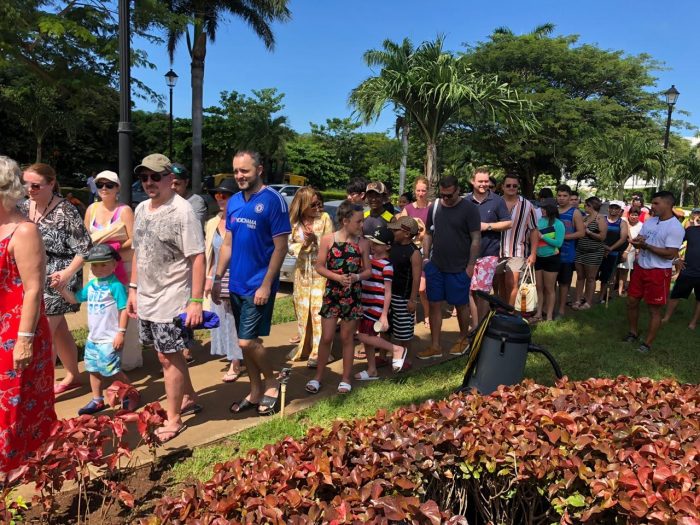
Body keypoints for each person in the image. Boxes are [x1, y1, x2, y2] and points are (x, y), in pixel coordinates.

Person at [127, 153, 205, 442]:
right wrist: (133, 288)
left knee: (167, 358)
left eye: (155, 176)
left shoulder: (183, 212)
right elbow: (138, 250)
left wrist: (195, 301)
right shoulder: (141, 209)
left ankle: (174, 420)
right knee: (167, 354)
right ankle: (190, 396)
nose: (149, 182)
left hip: (172, 298)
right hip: (147, 295)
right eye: (144, 177)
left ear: (171, 179)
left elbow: (197, 257)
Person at [211, 150, 290, 416]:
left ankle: (271, 381)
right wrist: (218, 277)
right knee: (245, 340)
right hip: (236, 284)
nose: (239, 176)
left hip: (258, 284)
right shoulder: (233, 201)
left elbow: (280, 248)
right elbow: (228, 244)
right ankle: (255, 390)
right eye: (236, 171)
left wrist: (267, 285)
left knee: (246, 343)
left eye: (244, 171)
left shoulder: (273, 201)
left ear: (259, 170)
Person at [0, 156, 56, 473]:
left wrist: (24, 340)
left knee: (17, 397)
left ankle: (17, 462)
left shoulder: (23, 232)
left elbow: (33, 289)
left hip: (18, 328)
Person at [19, 163, 91, 394]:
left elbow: (85, 248)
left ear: (51, 183)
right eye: (26, 184)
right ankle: (73, 374)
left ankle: (41, 389)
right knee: (59, 331)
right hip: (33, 276)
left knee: (43, 334)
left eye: (36, 185)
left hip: (59, 277)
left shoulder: (66, 210)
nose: (30, 189)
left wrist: (67, 273)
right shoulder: (22, 206)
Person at [54, 245, 133, 415]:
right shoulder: (92, 285)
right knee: (93, 370)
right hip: (93, 338)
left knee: (112, 371)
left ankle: (130, 392)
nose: (98, 269)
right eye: (94, 265)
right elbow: (75, 299)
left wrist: (121, 332)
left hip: (110, 338)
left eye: (103, 265)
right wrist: (61, 289)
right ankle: (97, 399)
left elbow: (123, 309)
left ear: (114, 265)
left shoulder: (116, 286)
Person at [305, 201, 371, 395]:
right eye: (358, 222)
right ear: (345, 221)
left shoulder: (363, 243)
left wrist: (356, 277)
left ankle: (345, 378)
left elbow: (368, 270)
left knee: (347, 337)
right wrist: (337, 277)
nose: (361, 226)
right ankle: (318, 377)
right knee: (326, 337)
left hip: (353, 294)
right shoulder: (328, 239)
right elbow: (319, 266)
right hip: (332, 293)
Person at [84, 170, 142, 371]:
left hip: (120, 267)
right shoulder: (91, 209)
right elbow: (86, 239)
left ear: (117, 188)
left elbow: (134, 239)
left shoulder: (125, 210)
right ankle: (101, 356)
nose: (104, 189)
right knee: (99, 312)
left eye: (109, 185)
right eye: (100, 185)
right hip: (97, 270)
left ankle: (126, 360)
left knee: (122, 311)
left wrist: (114, 249)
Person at [419, 176, 481, 359]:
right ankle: (435, 345)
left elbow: (476, 239)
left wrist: (471, 265)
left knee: (461, 305)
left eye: (449, 195)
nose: (446, 198)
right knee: (434, 304)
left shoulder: (469, 208)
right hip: (436, 265)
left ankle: (463, 339)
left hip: (460, 268)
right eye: (443, 195)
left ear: (458, 190)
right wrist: (425, 257)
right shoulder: (436, 206)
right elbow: (429, 233)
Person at [624, 191, 685, 353]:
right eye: (652, 203)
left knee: (654, 309)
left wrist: (647, 246)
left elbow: (671, 253)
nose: (653, 206)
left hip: (658, 272)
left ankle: (647, 344)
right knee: (631, 301)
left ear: (668, 204)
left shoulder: (675, 227)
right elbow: (641, 240)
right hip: (640, 268)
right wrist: (636, 242)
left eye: (656, 203)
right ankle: (633, 332)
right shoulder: (651, 222)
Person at [352, 225, 409, 382]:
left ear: (388, 246)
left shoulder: (387, 266)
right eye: (373, 242)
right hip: (364, 304)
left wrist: (384, 314)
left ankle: (396, 349)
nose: (373, 245)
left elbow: (388, 292)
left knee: (364, 336)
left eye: (377, 243)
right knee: (368, 337)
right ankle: (372, 369)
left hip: (376, 307)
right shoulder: (368, 260)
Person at [287, 187, 334, 366]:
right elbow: (289, 247)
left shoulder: (324, 219)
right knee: (302, 312)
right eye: (312, 205)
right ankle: (305, 347)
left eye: (318, 204)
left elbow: (332, 244)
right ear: (303, 205)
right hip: (302, 274)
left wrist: (316, 241)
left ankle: (319, 352)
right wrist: (304, 243)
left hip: (321, 272)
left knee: (318, 311)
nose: (317, 208)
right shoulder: (294, 223)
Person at [203, 179, 243, 383]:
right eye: (217, 195)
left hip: (237, 276)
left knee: (234, 321)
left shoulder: (242, 220)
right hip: (218, 277)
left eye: (224, 195)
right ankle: (233, 356)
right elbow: (211, 254)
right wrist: (209, 279)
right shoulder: (211, 223)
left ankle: (236, 362)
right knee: (222, 319)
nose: (220, 199)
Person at [466, 168, 512, 328]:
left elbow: (508, 222)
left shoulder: (497, 200)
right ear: (473, 181)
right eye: (480, 181)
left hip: (489, 253)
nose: (483, 184)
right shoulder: (464, 201)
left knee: (483, 292)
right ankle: (475, 325)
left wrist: (488, 226)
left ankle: (482, 328)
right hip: (467, 255)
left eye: (486, 181)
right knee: (470, 292)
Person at [495, 174, 537, 306]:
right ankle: (502, 312)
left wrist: (533, 253)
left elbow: (534, 230)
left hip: (517, 251)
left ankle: (510, 314)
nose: (511, 188)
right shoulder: (495, 203)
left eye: (515, 185)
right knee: (500, 285)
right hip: (496, 250)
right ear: (502, 186)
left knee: (512, 284)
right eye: (508, 185)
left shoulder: (527, 205)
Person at [386, 216, 422, 352]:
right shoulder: (393, 246)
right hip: (389, 294)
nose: (393, 233)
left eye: (396, 231)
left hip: (403, 297)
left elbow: (416, 278)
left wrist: (412, 299)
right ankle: (383, 356)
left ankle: (405, 357)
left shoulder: (414, 252)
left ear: (407, 234)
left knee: (404, 330)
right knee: (386, 326)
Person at [400, 177, 431, 326]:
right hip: (410, 251)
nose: (420, 193)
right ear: (414, 191)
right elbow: (400, 228)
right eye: (418, 190)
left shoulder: (432, 207)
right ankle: (411, 316)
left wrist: (424, 233)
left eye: (423, 190)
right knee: (410, 285)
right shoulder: (408, 209)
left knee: (422, 289)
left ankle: (427, 314)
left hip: (427, 252)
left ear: (428, 191)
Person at [662, 210, 700, 329]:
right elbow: (675, 243)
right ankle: (666, 317)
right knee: (676, 295)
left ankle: (693, 322)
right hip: (688, 269)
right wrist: (678, 259)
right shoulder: (691, 230)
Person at [555, 185, 585, 317]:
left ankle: (561, 309)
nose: (561, 198)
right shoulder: (553, 211)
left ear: (569, 197)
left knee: (564, 283)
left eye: (565, 196)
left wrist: (563, 238)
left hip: (567, 255)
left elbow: (581, 233)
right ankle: (547, 307)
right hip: (551, 252)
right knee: (550, 283)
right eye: (559, 195)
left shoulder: (575, 212)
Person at [572, 197, 607, 310]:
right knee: (580, 277)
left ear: (591, 206)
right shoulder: (585, 217)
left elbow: (602, 237)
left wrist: (589, 232)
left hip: (594, 253)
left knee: (591, 278)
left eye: (586, 205)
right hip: (580, 251)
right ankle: (577, 300)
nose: (584, 207)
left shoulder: (600, 218)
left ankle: (588, 302)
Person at [533, 199, 565, 322]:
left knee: (549, 288)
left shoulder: (558, 224)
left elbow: (559, 243)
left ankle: (550, 316)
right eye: (541, 208)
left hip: (552, 259)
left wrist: (543, 236)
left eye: (544, 209)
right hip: (538, 258)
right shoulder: (538, 221)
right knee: (539, 287)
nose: (542, 211)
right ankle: (539, 313)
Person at [598, 200, 629, 302]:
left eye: (616, 208)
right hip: (599, 251)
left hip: (613, 253)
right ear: (608, 208)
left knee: (607, 276)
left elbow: (623, 238)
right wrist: (602, 247)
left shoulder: (622, 223)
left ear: (620, 210)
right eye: (612, 207)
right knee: (593, 275)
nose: (614, 210)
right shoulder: (602, 219)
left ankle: (602, 297)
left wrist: (610, 248)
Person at [171, 163, 208, 228]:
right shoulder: (165, 200)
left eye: (177, 183)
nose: (173, 187)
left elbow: (193, 228)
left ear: (186, 182)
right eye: (170, 183)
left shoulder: (196, 201)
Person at [618, 206, 644, 295]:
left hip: (634, 251)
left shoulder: (641, 226)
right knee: (621, 271)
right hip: (622, 249)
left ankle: (627, 288)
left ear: (639, 216)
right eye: (632, 215)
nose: (633, 217)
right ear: (629, 214)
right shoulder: (623, 221)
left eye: (636, 215)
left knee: (631, 272)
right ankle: (619, 289)